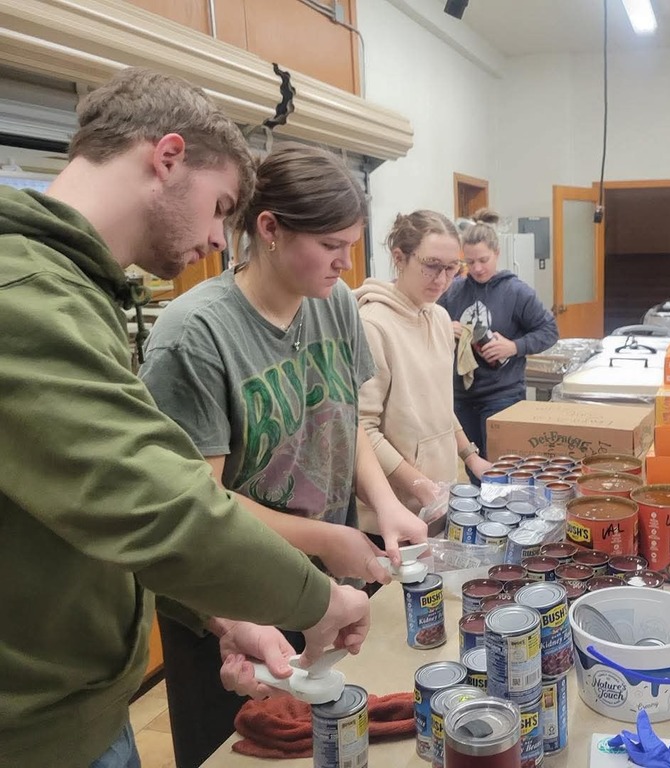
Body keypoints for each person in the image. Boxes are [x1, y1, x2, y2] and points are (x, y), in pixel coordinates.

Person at [0, 68, 372, 768]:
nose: (214, 236)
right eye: (220, 204)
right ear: (167, 157)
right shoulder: (21, 294)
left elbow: (102, 511)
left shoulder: (74, 289)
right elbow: (158, 505)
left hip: (81, 705)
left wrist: (225, 616)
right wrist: (316, 598)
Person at [139, 143, 427, 767]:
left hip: (326, 586)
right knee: (245, 751)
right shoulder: (196, 335)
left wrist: (384, 504)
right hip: (232, 600)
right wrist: (324, 537)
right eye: (330, 247)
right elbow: (195, 500)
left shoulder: (337, 304)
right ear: (268, 229)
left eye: (353, 247)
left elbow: (342, 422)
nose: (345, 265)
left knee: (332, 746)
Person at [355, 211, 492, 518]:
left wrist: (471, 458)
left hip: (436, 496)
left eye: (452, 268)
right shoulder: (372, 325)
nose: (442, 280)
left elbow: (441, 406)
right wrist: (419, 485)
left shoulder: (440, 317)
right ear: (400, 258)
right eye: (431, 266)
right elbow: (362, 430)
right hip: (390, 510)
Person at [438, 209, 558, 471]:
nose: (477, 268)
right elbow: (425, 322)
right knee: (473, 464)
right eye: (470, 262)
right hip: (462, 396)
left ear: (497, 253)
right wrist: (444, 327)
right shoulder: (452, 291)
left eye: (483, 259)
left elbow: (549, 331)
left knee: (503, 466)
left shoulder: (516, 292)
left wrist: (514, 346)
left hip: (502, 394)